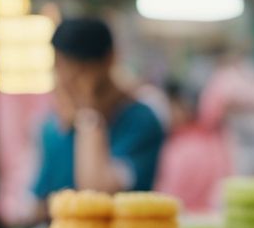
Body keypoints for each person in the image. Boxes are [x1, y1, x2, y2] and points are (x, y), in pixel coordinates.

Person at [33, 17, 164, 212]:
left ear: (109, 60)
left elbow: (98, 191)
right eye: (60, 67)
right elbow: (38, 203)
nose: (67, 79)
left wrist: (89, 118)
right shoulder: (53, 126)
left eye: (80, 69)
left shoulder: (140, 121)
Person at [155, 79, 231, 212]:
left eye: (169, 105)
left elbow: (168, 197)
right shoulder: (214, 141)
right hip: (211, 219)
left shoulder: (179, 147)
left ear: (182, 106)